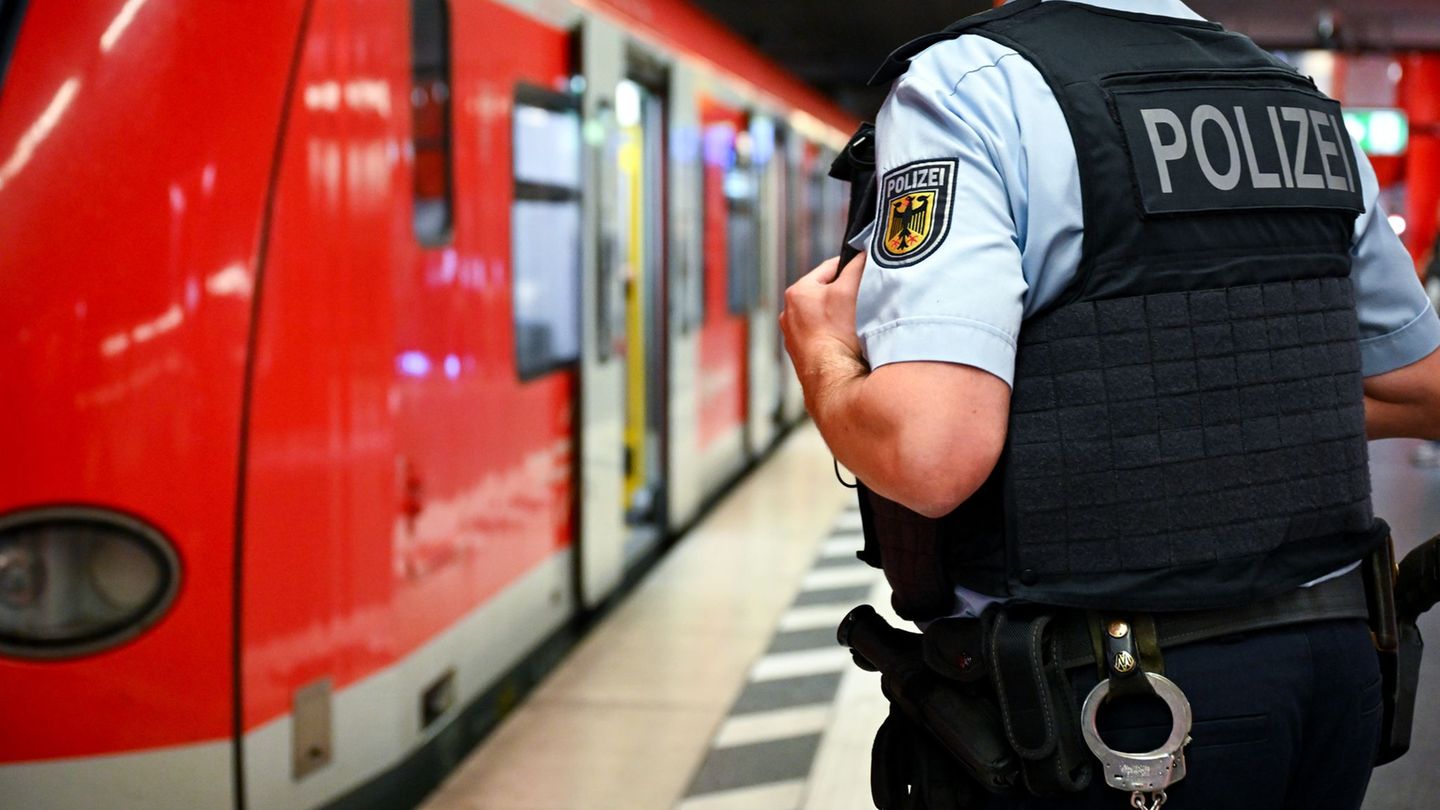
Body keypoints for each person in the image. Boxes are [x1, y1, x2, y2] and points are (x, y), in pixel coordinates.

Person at [780, 0, 1440, 808]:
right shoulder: (1296, 101)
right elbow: (1421, 388)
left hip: (1120, 709)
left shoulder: (973, 86)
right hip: (1336, 677)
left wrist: (820, 355)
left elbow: (931, 451)